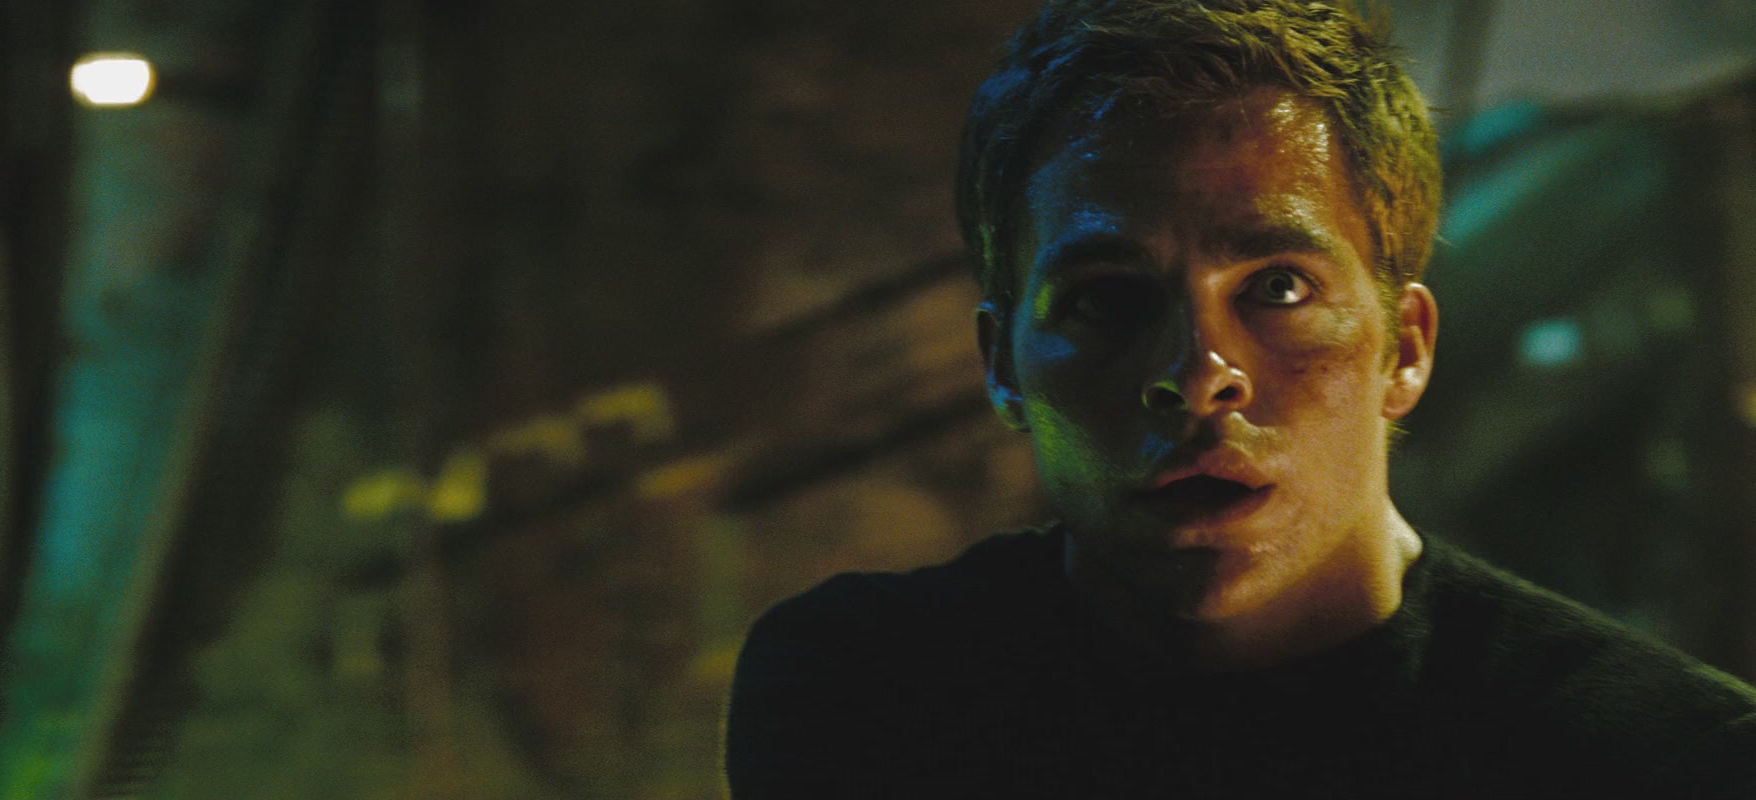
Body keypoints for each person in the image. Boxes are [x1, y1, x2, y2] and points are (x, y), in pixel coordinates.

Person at [723, 0, 1756, 797]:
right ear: (1002, 366)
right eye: (1106, 298)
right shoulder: (867, 691)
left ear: (1404, 346)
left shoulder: (1661, 760)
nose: (1198, 371)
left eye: (1278, 288)